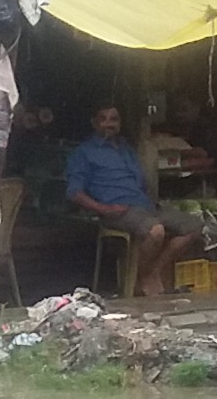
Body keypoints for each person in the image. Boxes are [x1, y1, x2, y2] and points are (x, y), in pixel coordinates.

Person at [65, 101, 201, 297]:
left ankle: (150, 273)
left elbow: (142, 182)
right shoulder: (84, 152)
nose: (109, 124)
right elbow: (74, 192)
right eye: (103, 119)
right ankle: (138, 281)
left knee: (194, 226)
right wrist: (103, 209)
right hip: (116, 210)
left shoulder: (126, 148)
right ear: (94, 123)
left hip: (145, 206)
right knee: (156, 232)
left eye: (114, 119)